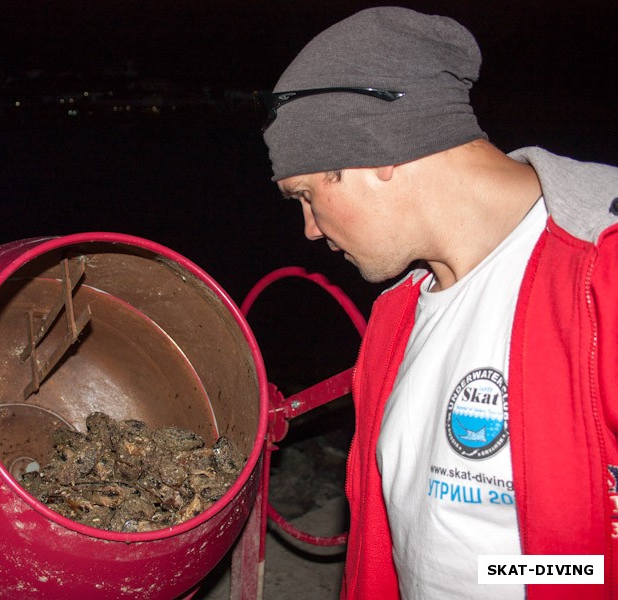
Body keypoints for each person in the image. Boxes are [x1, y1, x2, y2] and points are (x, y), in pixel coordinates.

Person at [259, 6, 618, 600]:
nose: (310, 232)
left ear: (376, 153)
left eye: (306, 196)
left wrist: (505, 574)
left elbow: (590, 565)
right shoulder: (397, 315)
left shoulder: (601, 279)